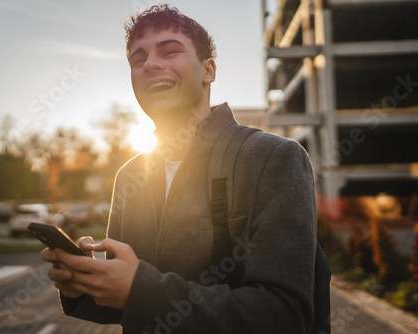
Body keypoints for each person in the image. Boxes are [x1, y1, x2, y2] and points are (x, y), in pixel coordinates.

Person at [41, 5, 317, 334]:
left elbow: (286, 315)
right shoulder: (131, 175)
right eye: (137, 59)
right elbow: (128, 302)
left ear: (208, 70)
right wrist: (85, 284)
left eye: (170, 51)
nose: (151, 64)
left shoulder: (274, 157)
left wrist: (140, 289)